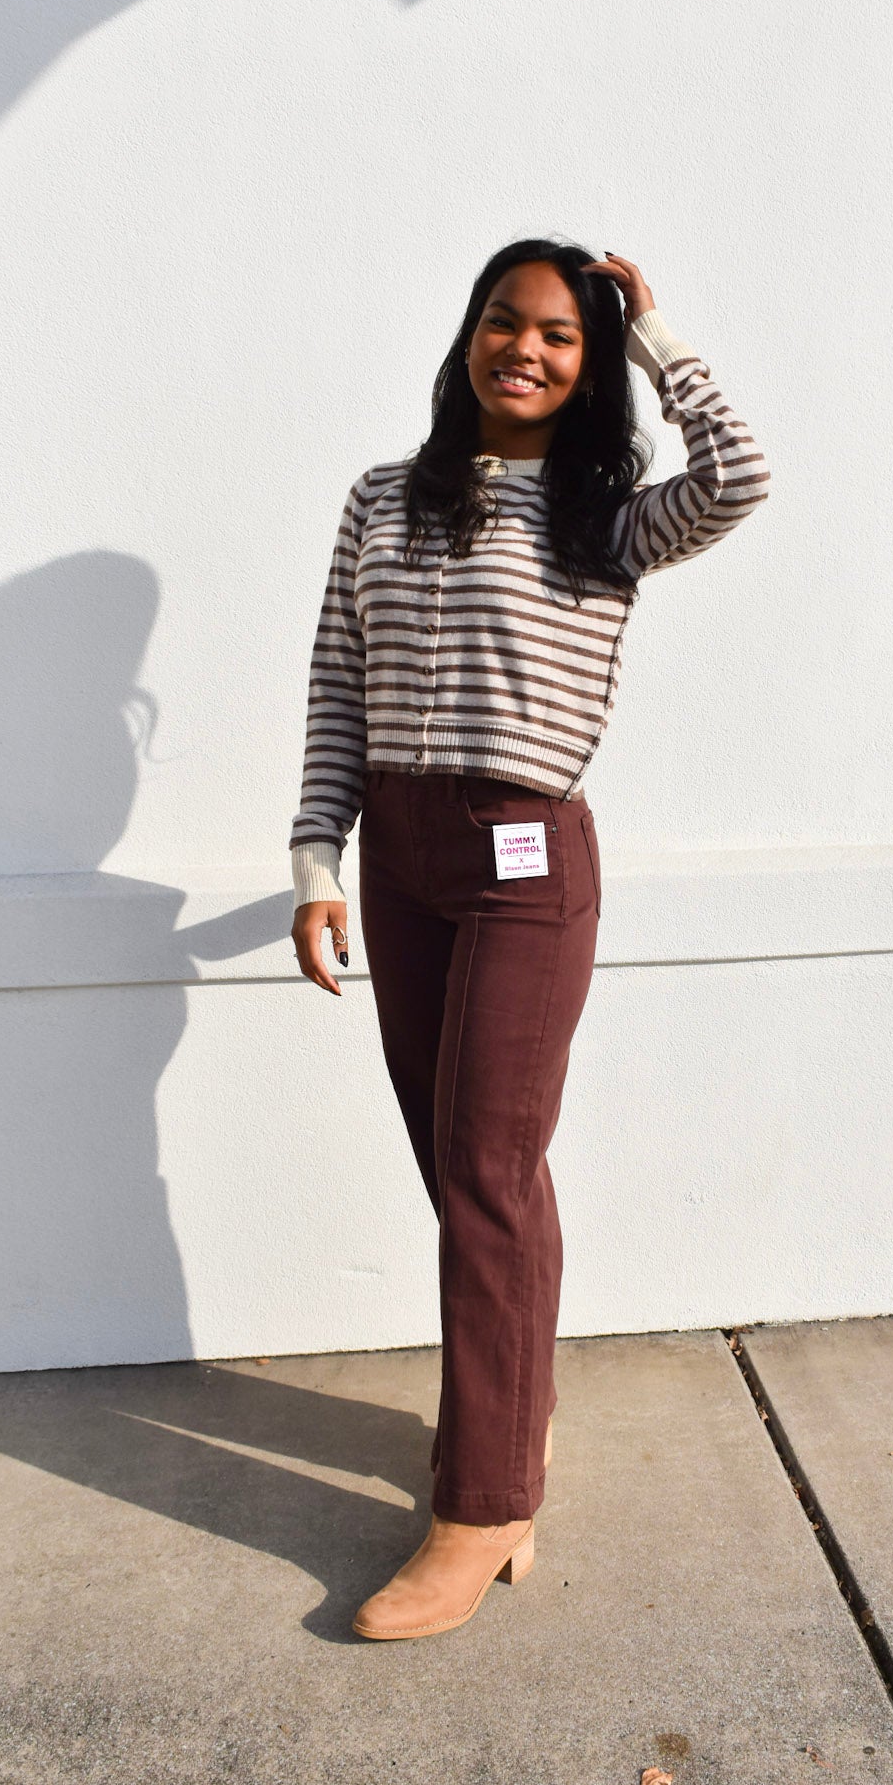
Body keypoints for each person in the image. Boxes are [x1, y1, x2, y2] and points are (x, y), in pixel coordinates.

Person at [289, 239, 770, 1640]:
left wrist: (656, 332)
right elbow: (335, 681)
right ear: (468, 335)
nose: (529, 348)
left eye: (563, 335)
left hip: (523, 865)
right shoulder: (382, 500)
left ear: (588, 362)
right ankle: (520, 1415)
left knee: (489, 1171)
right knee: (470, 1172)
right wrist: (316, 857)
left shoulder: (605, 510)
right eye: (507, 321)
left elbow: (737, 474)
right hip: (400, 857)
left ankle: (485, 1503)